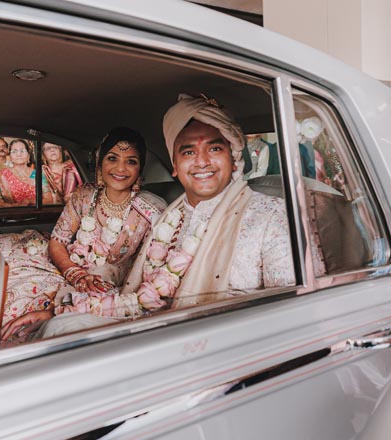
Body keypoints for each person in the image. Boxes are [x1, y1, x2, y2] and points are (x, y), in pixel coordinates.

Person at [24, 94, 296, 338]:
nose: (201, 161)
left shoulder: (271, 215)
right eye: (189, 151)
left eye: (214, 149)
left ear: (233, 157)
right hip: (148, 329)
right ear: (175, 165)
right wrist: (64, 311)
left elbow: (295, 316)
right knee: (57, 330)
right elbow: (144, 300)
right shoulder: (172, 219)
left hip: (215, 348)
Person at [0, 127, 167, 343]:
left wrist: (86, 286)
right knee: (8, 286)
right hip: (66, 269)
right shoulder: (85, 194)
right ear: (100, 163)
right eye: (112, 158)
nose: (120, 168)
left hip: (108, 289)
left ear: (140, 169)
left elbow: (146, 275)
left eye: (131, 161)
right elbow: (57, 242)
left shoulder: (151, 210)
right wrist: (74, 273)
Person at [0, 139, 52, 207]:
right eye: (14, 151)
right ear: (10, 157)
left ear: (28, 155)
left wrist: (30, 201)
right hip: (11, 214)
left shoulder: (37, 175)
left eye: (22, 151)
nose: (19, 154)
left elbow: (48, 200)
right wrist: (12, 207)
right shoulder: (2, 175)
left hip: (35, 214)